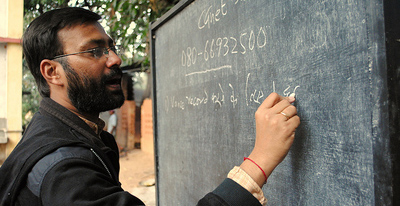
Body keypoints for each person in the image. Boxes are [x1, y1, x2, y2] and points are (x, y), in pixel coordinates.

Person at [0, 7, 300, 206]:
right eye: (94, 51)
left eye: (111, 46)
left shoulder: (66, 132)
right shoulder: (64, 169)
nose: (115, 59)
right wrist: (260, 160)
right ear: (52, 73)